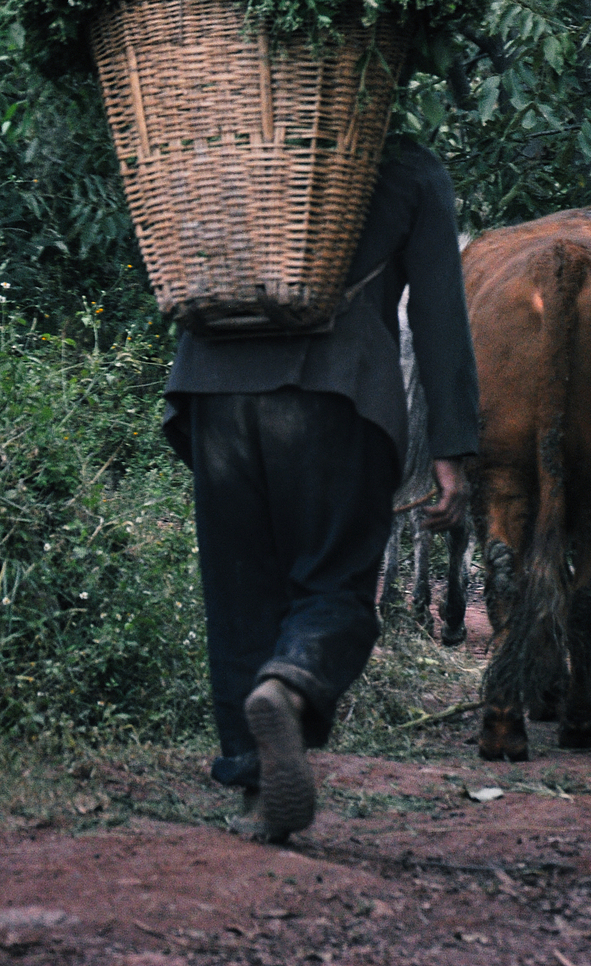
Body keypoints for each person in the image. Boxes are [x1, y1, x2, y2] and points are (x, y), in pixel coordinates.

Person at [161, 133, 480, 840]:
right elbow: (437, 310)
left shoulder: (215, 145)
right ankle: (290, 681)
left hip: (213, 386)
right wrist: (452, 445)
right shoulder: (402, 163)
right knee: (334, 584)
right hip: (337, 394)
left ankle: (253, 777)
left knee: (239, 590)